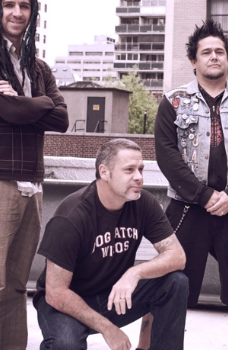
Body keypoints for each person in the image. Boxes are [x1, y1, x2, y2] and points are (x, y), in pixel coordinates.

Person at [149, 19, 228, 350]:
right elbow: (167, 156)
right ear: (194, 61)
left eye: (220, 51)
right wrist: (203, 196)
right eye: (206, 52)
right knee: (169, 281)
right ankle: (146, 347)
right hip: (187, 206)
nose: (214, 56)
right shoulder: (173, 102)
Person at [0, 0, 69, 349]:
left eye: (24, 6)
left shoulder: (38, 68)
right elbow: (11, 112)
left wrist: (26, 103)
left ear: (32, 13)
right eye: (9, 5)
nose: (17, 12)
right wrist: (39, 104)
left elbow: (62, 119)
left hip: (32, 185)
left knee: (14, 287)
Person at [33, 138, 189, 350]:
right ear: (104, 172)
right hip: (67, 302)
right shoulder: (72, 216)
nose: (139, 177)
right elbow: (56, 293)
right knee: (65, 345)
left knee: (175, 282)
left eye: (141, 169)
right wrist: (108, 329)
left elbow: (177, 256)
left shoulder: (143, 203)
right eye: (129, 170)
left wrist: (134, 273)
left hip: (112, 295)